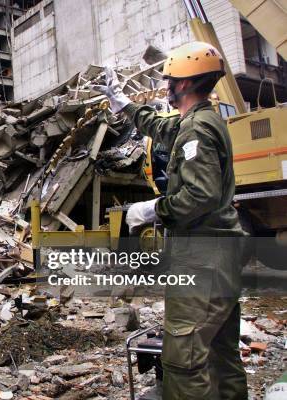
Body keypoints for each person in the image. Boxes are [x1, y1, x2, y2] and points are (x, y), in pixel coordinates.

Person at [92, 41, 247, 399]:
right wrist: (124, 105)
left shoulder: (197, 130)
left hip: (203, 259)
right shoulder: (200, 121)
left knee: (183, 360)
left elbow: (200, 196)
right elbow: (161, 128)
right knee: (223, 356)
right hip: (220, 257)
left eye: (170, 81)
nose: (166, 87)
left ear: (187, 84)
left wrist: (151, 209)